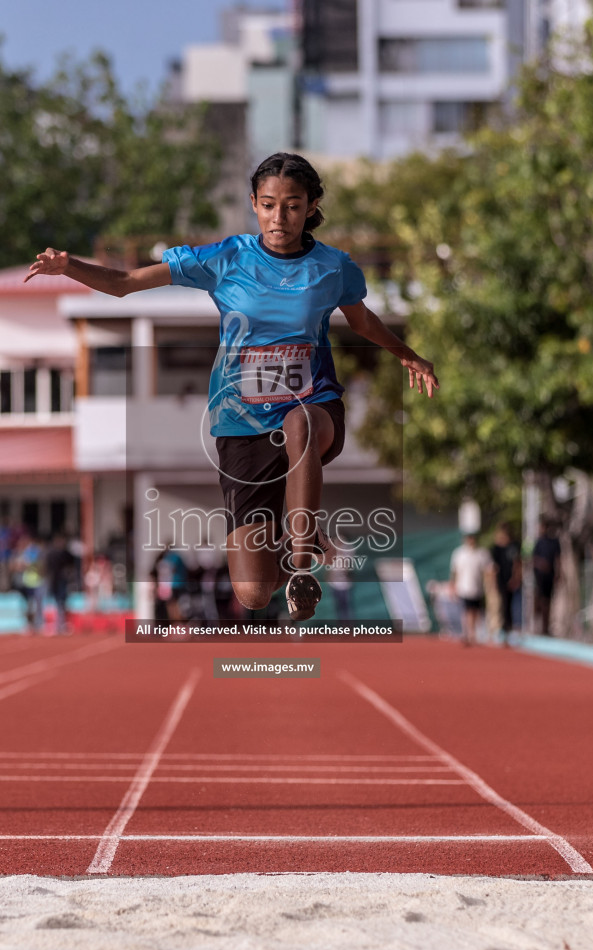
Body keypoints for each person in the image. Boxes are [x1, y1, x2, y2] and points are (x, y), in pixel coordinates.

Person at [25, 152, 439, 621]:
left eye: (292, 206)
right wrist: (69, 266)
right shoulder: (227, 258)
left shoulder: (333, 268)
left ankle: (302, 563)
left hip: (314, 404)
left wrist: (407, 354)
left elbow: (362, 321)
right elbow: (124, 283)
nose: (279, 218)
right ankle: (293, 543)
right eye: (268, 205)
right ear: (253, 204)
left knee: (299, 424)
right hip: (240, 425)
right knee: (253, 593)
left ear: (311, 206)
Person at [449, 532, 493, 646]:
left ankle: (473, 633)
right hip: (463, 587)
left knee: (475, 611)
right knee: (466, 611)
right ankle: (468, 633)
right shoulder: (459, 553)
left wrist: (490, 584)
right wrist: (452, 586)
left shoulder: (481, 553)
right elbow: (454, 571)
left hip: (477, 587)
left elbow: (488, 569)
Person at [490, 523, 522, 641]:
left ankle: (510, 628)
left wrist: (516, 578)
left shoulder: (514, 546)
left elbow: (517, 563)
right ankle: (501, 628)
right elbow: (495, 567)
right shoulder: (496, 549)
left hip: (511, 580)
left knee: (511, 604)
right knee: (501, 604)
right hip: (501, 580)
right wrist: (493, 582)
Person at [531, 519, 562, 636]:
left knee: (547, 601)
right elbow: (533, 559)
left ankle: (546, 626)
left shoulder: (554, 542)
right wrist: (541, 564)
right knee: (539, 600)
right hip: (539, 577)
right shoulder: (538, 542)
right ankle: (537, 625)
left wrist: (558, 574)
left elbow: (558, 559)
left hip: (550, 576)